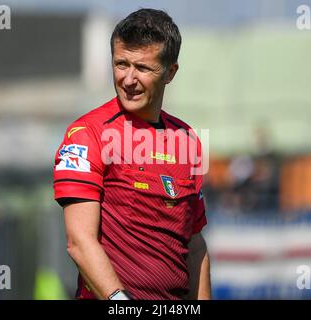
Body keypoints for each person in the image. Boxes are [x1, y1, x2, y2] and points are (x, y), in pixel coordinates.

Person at [53, 8, 210, 300]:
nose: (128, 79)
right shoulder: (88, 134)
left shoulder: (188, 141)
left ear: (170, 72)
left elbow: (195, 243)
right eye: (121, 64)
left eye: (142, 68)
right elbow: (79, 242)